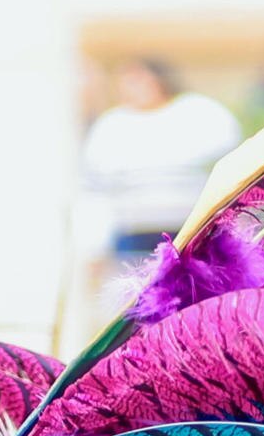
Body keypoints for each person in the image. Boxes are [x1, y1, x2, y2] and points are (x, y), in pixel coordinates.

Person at [77, 53, 241, 282]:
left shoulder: (198, 113)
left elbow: (227, 162)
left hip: (188, 228)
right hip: (134, 233)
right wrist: (94, 246)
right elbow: (96, 193)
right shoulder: (112, 126)